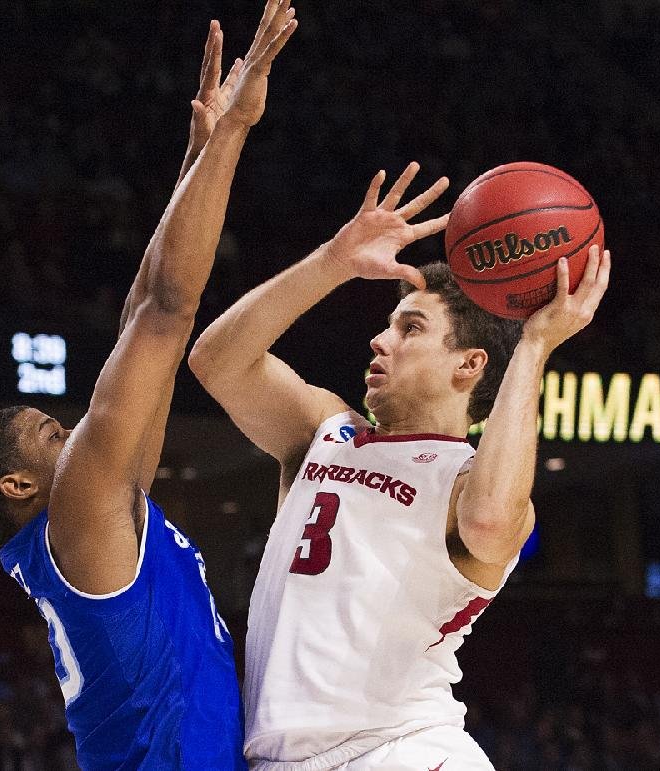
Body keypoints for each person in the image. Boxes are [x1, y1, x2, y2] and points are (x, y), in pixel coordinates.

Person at [0, 4, 298, 768]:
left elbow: (142, 319)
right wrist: (236, 132)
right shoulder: (78, 511)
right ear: (18, 483)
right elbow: (168, 314)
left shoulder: (97, 520)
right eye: (52, 435)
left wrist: (198, 155)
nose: (74, 434)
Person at [189, 162, 611, 768]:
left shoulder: (467, 480)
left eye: (409, 328)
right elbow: (217, 361)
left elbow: (490, 523)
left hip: (402, 751)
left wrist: (535, 345)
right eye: (387, 325)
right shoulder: (324, 432)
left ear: (469, 365)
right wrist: (333, 261)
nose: (379, 341)